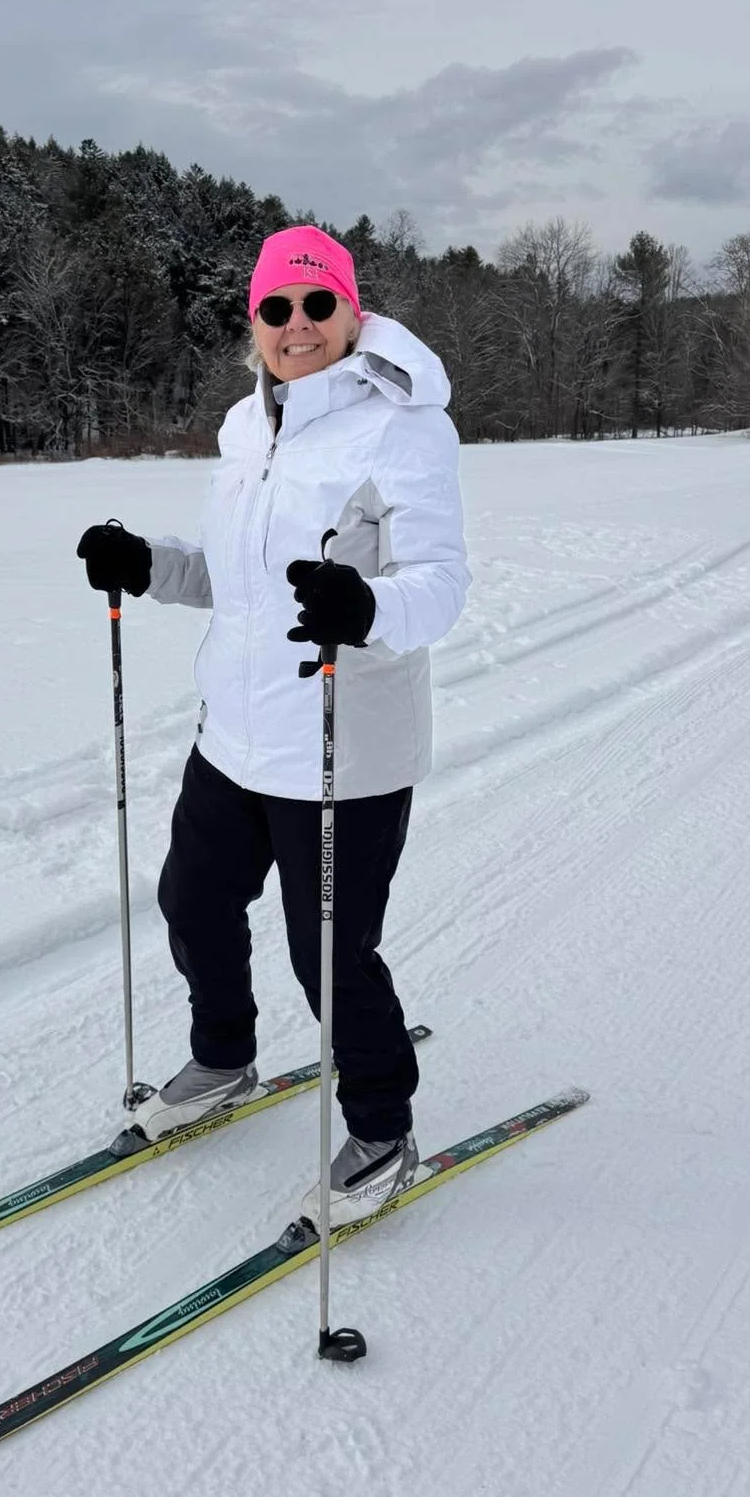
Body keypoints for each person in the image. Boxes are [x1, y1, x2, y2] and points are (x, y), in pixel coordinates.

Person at [76, 226, 469, 1228]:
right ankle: (224, 1056)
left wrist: (365, 607)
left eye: (315, 305)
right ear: (254, 322)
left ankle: (383, 1129)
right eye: (275, 310)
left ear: (350, 309)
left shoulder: (403, 427)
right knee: (193, 900)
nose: (296, 327)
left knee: (330, 956)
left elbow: (439, 585)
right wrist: (147, 563)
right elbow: (230, 577)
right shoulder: (246, 429)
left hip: (344, 745)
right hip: (236, 735)